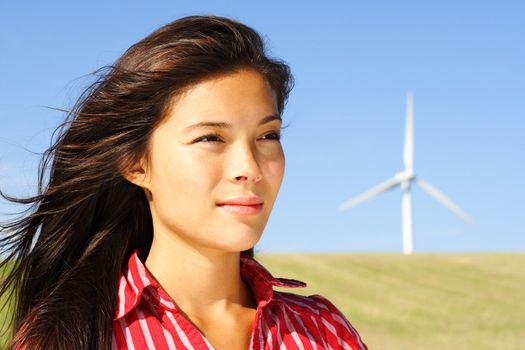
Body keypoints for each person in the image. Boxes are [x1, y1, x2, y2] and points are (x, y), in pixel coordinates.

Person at [0, 15, 368, 349]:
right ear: (135, 163)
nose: (250, 168)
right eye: (210, 138)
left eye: (268, 136)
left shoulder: (323, 330)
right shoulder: (68, 338)